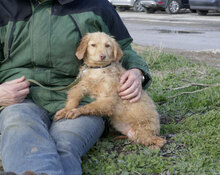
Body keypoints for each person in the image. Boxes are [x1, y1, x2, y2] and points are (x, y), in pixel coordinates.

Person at [0, 0, 152, 174]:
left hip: (84, 101)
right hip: (21, 100)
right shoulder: (4, 6)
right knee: (19, 130)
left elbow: (123, 48)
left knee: (64, 144)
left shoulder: (97, 6)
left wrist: (136, 71)